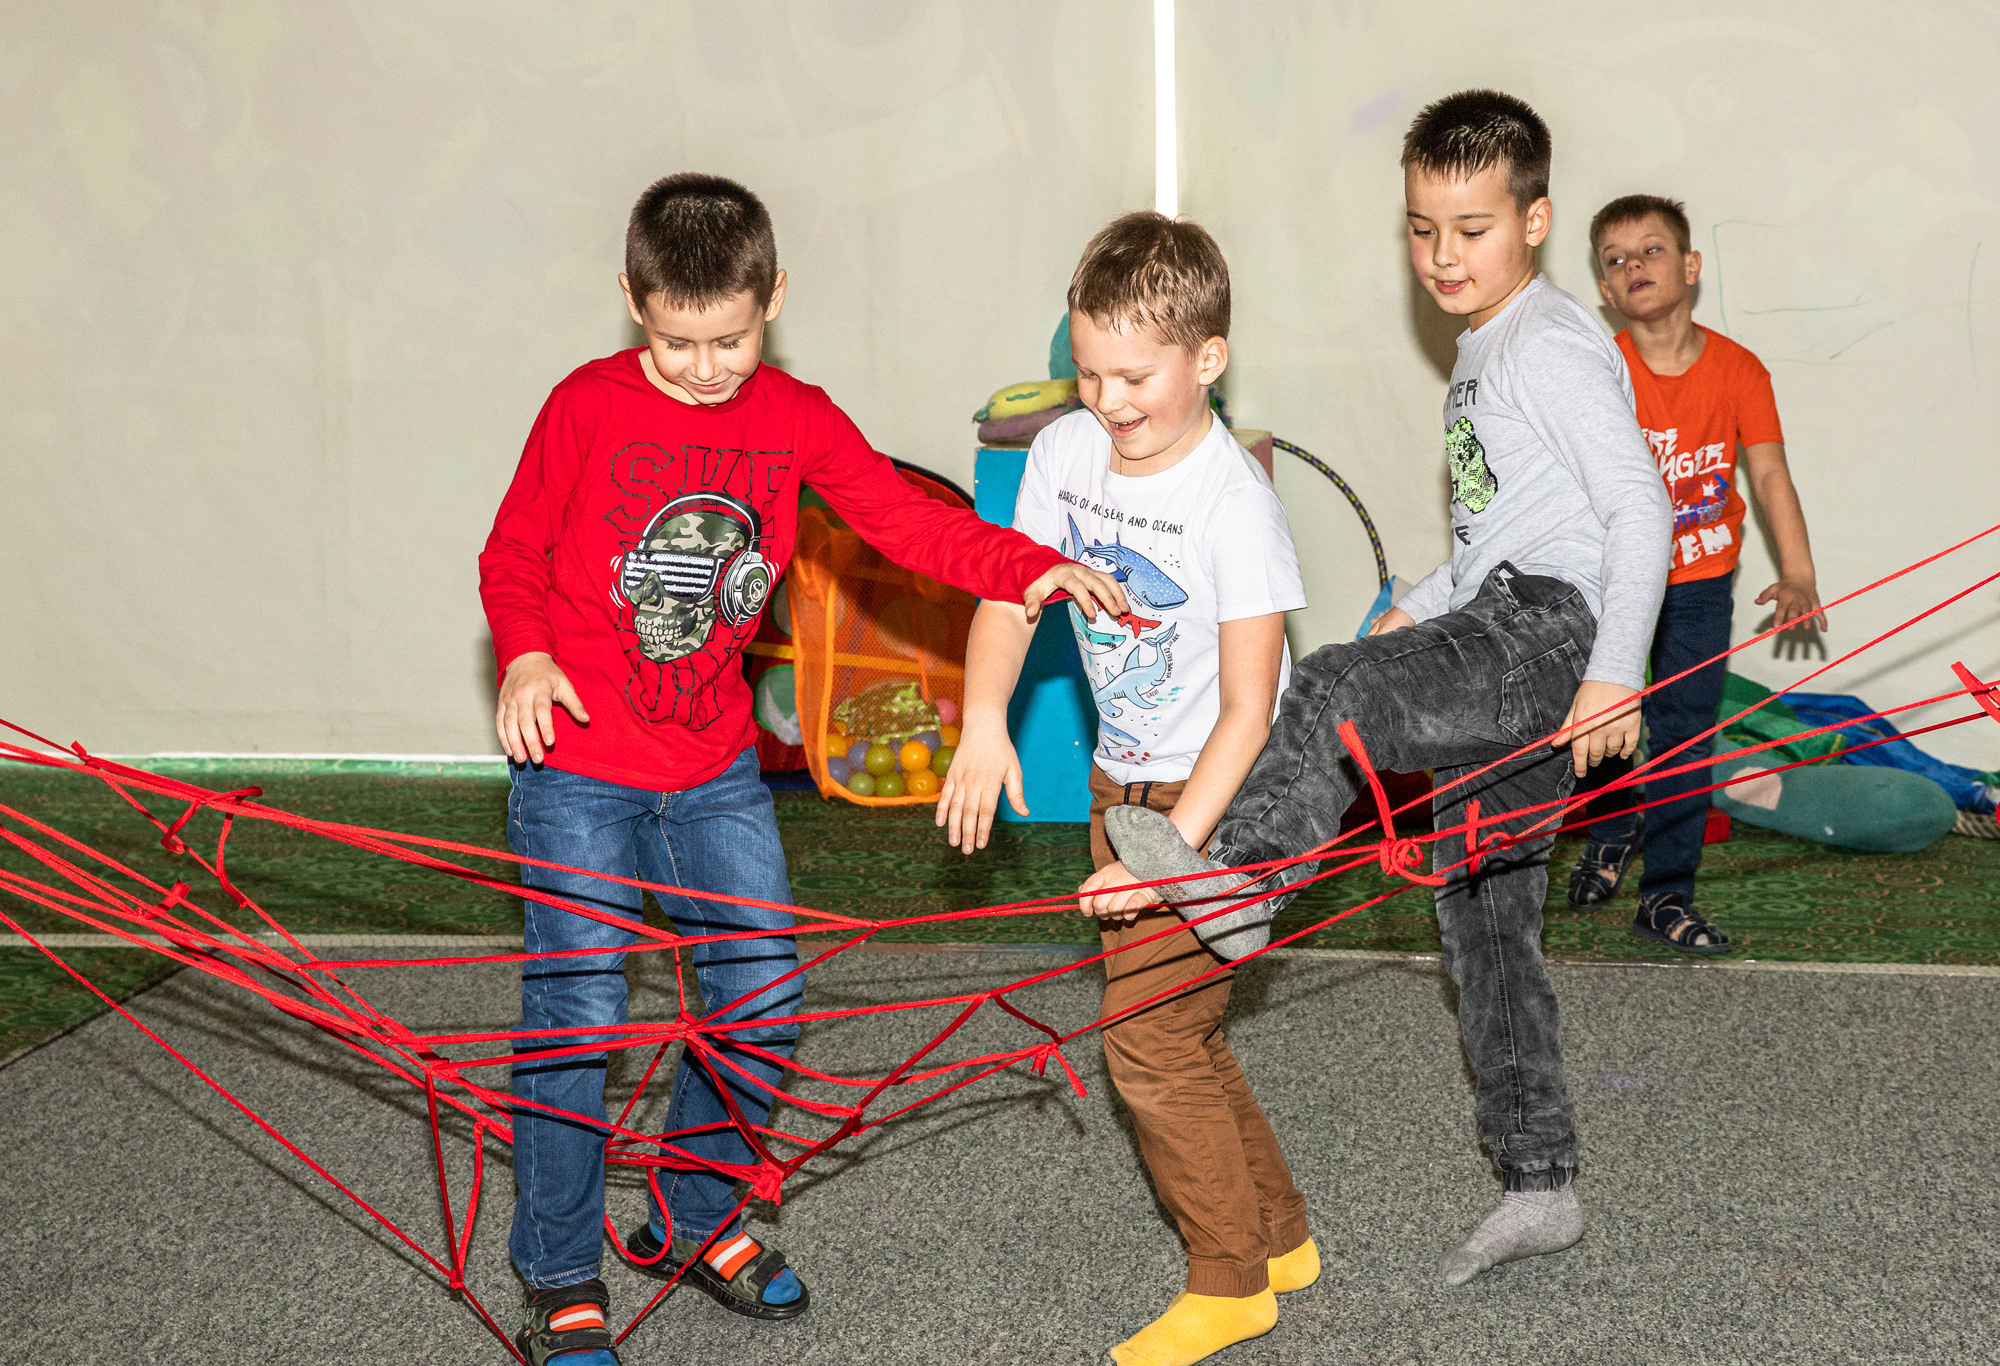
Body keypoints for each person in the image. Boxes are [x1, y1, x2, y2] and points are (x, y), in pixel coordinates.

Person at [479, 171, 1126, 1366]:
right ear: (632, 301)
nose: (707, 365)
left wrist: (1016, 564)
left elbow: (902, 520)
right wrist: (522, 656)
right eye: (678, 342)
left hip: (710, 763)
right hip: (575, 763)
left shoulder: (796, 415)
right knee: (577, 1009)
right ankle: (560, 1269)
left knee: (761, 995)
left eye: (729, 337)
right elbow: (513, 549)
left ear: (774, 297)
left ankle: (694, 1211)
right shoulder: (585, 406)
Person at [1102, 90, 1671, 1288]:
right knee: (1483, 922)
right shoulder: (1487, 352)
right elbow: (1510, 522)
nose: (1442, 255)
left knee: (1327, 689)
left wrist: (1613, 669)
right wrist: (1422, 591)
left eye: (1469, 228)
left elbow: (1633, 510)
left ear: (1533, 221)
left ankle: (1243, 884)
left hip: (1542, 633)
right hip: (1500, 614)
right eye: (1421, 228)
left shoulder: (1551, 342)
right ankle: (1539, 1180)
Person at [938, 210, 1314, 1366]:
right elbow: (1010, 595)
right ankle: (1281, 1237)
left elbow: (1251, 711)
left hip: (1234, 793)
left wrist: (1164, 857)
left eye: (1132, 375)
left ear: (1206, 359)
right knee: (1181, 1026)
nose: (1105, 400)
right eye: (1087, 371)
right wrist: (984, 720)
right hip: (1126, 777)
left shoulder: (1230, 503)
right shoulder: (1060, 453)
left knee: (1147, 1041)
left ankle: (1230, 1279)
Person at [1568, 194, 1825, 951]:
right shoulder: (1599, 366)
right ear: (1606, 291)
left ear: (1689, 266)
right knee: (1600, 718)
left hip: (1700, 584)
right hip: (1613, 583)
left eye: (1649, 251)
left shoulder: (1740, 369)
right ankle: (1612, 830)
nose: (1633, 267)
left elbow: (1770, 472)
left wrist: (1800, 571)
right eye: (1615, 261)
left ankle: (1667, 892)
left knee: (1685, 734)